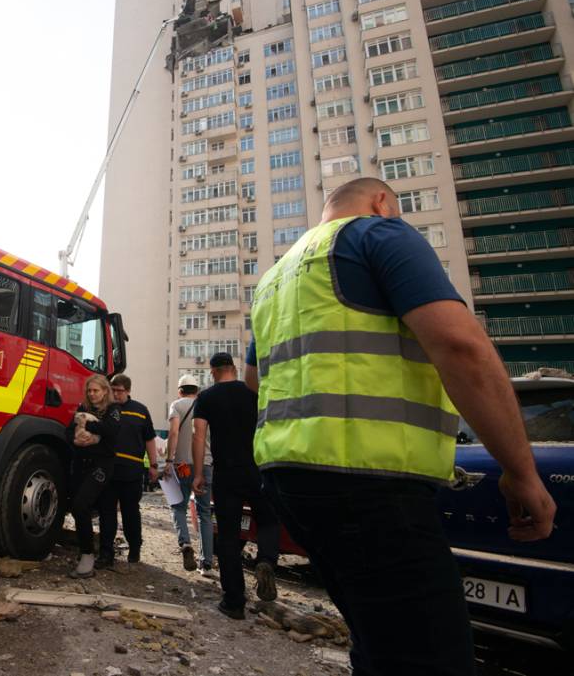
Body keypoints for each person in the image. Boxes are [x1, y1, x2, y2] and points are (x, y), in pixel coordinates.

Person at [245, 177, 556, 675]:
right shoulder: (380, 235)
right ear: (382, 202)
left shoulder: (275, 278)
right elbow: (462, 350)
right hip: (372, 482)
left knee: (380, 645)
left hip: (290, 481)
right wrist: (521, 470)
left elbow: (254, 382)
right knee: (431, 660)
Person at [191, 353, 280, 620]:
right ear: (233, 368)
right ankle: (265, 560)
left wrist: (198, 474)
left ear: (213, 372)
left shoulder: (206, 398)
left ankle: (234, 602)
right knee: (268, 520)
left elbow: (199, 437)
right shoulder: (254, 392)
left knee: (229, 536)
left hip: (226, 473)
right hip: (257, 469)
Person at [97, 374, 159, 569]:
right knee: (106, 513)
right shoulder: (104, 410)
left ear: (128, 391)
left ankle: (134, 548)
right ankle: (106, 553)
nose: (116, 394)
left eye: (119, 390)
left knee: (130, 512)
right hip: (108, 471)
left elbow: (149, 439)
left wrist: (154, 466)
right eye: (113, 390)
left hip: (131, 473)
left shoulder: (141, 411)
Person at [67, 374, 121, 578]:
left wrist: (84, 424)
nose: (92, 394)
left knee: (83, 505)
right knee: (78, 506)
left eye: (96, 390)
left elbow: (110, 430)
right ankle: (89, 552)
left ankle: (88, 555)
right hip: (82, 465)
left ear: (105, 391)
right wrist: (75, 439)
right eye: (89, 391)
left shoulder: (114, 410)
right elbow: (68, 431)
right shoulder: (83, 408)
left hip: (102, 466)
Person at [166, 374, 216, 576]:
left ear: (180, 391)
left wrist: (169, 460)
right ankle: (206, 564)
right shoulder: (207, 407)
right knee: (205, 513)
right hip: (204, 464)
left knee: (178, 505)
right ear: (197, 390)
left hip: (182, 465)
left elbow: (174, 433)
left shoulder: (177, 406)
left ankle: (185, 542)